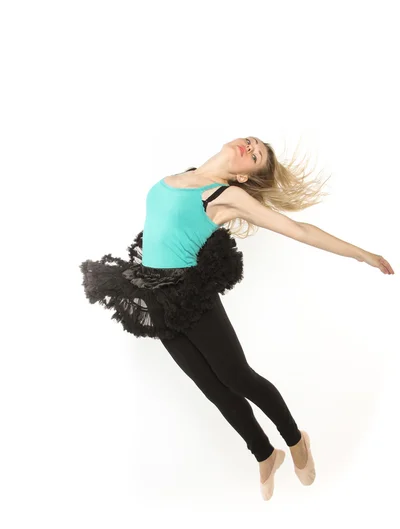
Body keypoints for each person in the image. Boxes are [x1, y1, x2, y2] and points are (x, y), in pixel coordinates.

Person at [80, 136, 394, 501]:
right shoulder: (182, 175)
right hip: (155, 295)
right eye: (251, 141)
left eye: (256, 154)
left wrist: (361, 254)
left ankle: (295, 440)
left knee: (235, 377)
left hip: (190, 295)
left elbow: (300, 231)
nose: (249, 146)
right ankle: (265, 453)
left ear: (245, 178)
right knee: (212, 389)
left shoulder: (225, 195)